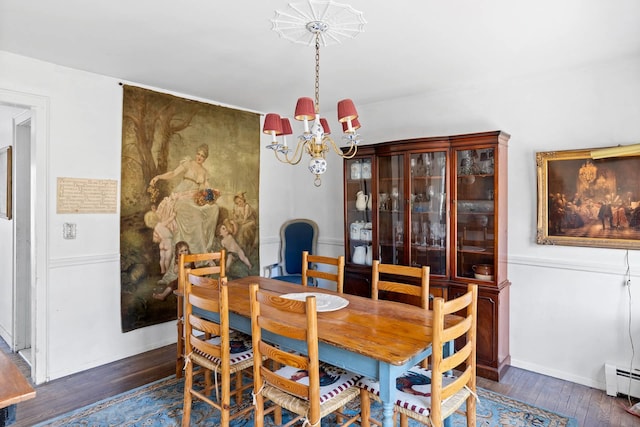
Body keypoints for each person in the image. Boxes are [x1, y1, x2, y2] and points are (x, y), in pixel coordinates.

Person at [149, 144, 220, 254]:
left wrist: (214, 193)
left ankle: (201, 251)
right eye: (198, 154)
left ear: (205, 159)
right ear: (196, 153)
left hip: (194, 198)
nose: (199, 157)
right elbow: (173, 173)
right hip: (181, 196)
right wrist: (158, 177)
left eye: (202, 156)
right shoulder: (188, 163)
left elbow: (207, 188)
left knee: (214, 208)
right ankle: (192, 251)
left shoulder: (204, 172)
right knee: (194, 216)